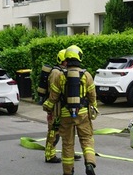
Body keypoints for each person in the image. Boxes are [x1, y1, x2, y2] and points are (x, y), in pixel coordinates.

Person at [43, 45, 98, 175]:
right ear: (80, 57)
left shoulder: (60, 76)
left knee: (67, 143)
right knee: (86, 139)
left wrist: (48, 107)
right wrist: (94, 107)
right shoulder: (86, 75)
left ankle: (68, 171)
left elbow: (54, 97)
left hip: (65, 115)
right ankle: (89, 163)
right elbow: (92, 96)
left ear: (67, 59)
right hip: (83, 114)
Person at [43, 49, 67, 164]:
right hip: (55, 108)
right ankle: (49, 155)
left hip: (62, 108)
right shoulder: (56, 73)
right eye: (68, 60)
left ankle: (68, 152)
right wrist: (50, 109)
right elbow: (53, 92)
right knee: (54, 131)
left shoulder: (63, 71)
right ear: (62, 61)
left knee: (66, 131)